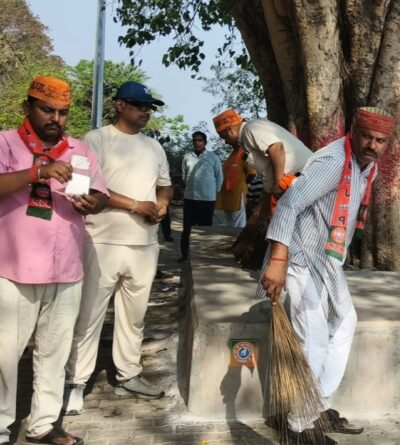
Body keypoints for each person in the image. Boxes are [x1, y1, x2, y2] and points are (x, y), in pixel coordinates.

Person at [259, 107, 395, 441]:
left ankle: (315, 405)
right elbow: (290, 203)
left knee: (345, 322)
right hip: (300, 258)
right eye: (367, 137)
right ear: (353, 130)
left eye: (380, 140)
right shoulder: (334, 162)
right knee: (314, 340)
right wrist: (278, 259)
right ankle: (299, 426)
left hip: (328, 262)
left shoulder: (367, 167)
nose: (373, 145)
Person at [0, 76, 108, 445]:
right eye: (47, 110)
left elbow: (101, 194)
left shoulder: (79, 151)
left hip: (66, 269)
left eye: (62, 112)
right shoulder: (5, 142)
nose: (56, 119)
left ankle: (44, 423)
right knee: (4, 357)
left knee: (55, 350)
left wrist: (94, 202)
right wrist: (38, 171)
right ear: (28, 107)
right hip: (12, 270)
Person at [64, 81, 173, 414]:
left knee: (134, 317)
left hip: (144, 244)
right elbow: (82, 190)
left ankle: (128, 374)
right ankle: (75, 382)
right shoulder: (95, 141)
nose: (146, 112)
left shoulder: (154, 147)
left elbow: (165, 187)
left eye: (149, 108)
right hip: (102, 241)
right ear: (120, 106)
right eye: (140, 106)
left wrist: (162, 205)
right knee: (89, 316)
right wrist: (135, 205)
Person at [212, 109, 313, 216]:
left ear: (229, 130)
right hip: (296, 181)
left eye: (224, 138)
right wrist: (263, 215)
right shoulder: (246, 140)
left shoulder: (251, 128)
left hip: (306, 176)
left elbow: (276, 147)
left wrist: (278, 183)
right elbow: (267, 176)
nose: (226, 142)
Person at [179, 130, 222, 261]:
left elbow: (219, 176)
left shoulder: (213, 157)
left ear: (205, 142)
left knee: (205, 229)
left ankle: (202, 257)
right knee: (187, 228)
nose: (197, 143)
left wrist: (215, 191)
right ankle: (185, 256)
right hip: (190, 198)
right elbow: (184, 175)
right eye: (194, 141)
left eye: (200, 140)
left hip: (207, 199)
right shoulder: (187, 157)